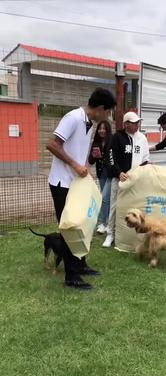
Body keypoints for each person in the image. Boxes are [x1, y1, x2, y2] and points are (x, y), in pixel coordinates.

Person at [47, 87, 116, 290]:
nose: (109, 116)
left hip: (76, 184)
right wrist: (75, 165)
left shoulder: (88, 124)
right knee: (70, 228)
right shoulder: (73, 118)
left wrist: (86, 163)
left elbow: (77, 153)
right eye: (109, 111)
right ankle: (72, 277)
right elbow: (52, 144)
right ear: (101, 108)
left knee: (85, 222)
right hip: (62, 183)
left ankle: (81, 265)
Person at [102, 111, 150, 248]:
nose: (137, 125)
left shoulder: (142, 138)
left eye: (138, 122)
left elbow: (146, 159)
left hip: (137, 180)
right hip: (120, 179)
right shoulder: (117, 137)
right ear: (126, 124)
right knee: (114, 206)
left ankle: (135, 234)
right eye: (134, 123)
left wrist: (142, 172)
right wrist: (118, 173)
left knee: (136, 205)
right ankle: (110, 234)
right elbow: (110, 158)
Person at [88, 120, 113, 234]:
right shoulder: (96, 142)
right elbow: (91, 160)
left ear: (107, 130)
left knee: (105, 198)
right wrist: (94, 155)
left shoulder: (112, 140)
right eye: (100, 128)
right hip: (101, 173)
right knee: (106, 199)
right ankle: (105, 223)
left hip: (112, 173)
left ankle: (105, 223)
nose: (102, 130)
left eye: (104, 128)